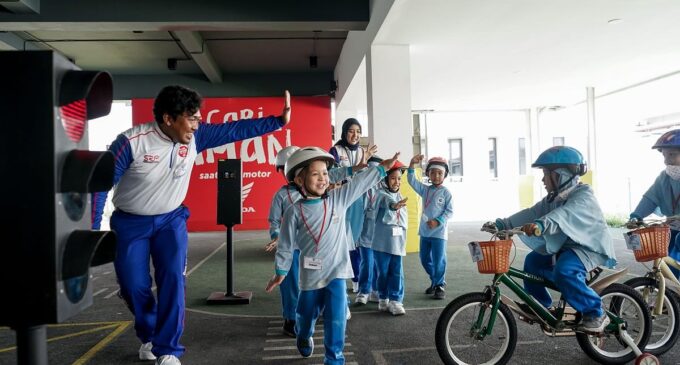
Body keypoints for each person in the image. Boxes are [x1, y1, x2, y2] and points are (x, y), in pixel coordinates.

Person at [91, 85, 292, 365]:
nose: (198, 124)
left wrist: (277, 122)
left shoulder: (197, 135)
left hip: (171, 220)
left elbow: (235, 130)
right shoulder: (132, 141)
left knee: (173, 280)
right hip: (130, 223)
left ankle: (169, 348)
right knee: (132, 286)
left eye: (199, 118)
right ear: (168, 119)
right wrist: (91, 229)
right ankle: (149, 334)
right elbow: (100, 183)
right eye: (192, 118)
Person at [266, 147, 399, 365]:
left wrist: (382, 169)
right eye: (315, 174)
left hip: (337, 272)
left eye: (325, 173)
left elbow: (359, 183)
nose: (323, 178)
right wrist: (280, 272)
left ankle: (334, 359)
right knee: (305, 316)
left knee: (337, 319)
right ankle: (303, 334)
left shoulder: (338, 199)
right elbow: (286, 245)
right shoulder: (293, 212)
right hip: (310, 277)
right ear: (300, 180)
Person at [485, 146, 617, 333]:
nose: (542, 179)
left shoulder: (583, 196)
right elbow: (532, 212)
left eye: (546, 174)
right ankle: (539, 305)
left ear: (560, 176)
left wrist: (540, 225)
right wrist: (503, 224)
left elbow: (562, 215)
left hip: (588, 248)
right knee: (532, 261)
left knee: (565, 271)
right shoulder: (554, 198)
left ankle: (596, 312)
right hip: (567, 247)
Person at [264, 146, 358, 336]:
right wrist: (277, 237)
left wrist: (352, 169)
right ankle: (291, 318)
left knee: (326, 278)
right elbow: (274, 221)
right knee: (290, 283)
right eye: (283, 168)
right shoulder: (281, 195)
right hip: (293, 247)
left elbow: (333, 172)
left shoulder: (318, 188)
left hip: (313, 246)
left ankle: (332, 308)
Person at [329, 118, 377, 292]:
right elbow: (330, 174)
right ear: (344, 132)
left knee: (358, 242)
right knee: (342, 240)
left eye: (358, 131)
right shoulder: (335, 150)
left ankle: (359, 281)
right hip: (341, 198)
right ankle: (341, 277)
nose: (355, 135)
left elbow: (368, 177)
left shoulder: (364, 152)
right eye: (351, 131)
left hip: (360, 200)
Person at [628, 129, 680, 277]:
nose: (666, 160)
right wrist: (636, 216)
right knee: (665, 257)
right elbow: (651, 198)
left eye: (672, 154)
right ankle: (671, 294)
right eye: (664, 155)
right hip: (674, 226)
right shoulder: (664, 177)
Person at [407, 155, 453, 299]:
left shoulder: (446, 193)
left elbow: (450, 211)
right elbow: (411, 181)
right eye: (433, 172)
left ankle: (439, 285)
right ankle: (435, 280)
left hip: (439, 233)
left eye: (440, 173)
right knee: (424, 258)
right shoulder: (425, 190)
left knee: (439, 260)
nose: (436, 176)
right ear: (428, 174)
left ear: (444, 175)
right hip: (425, 232)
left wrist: (438, 220)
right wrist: (411, 166)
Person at [372, 161, 408, 315]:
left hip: (397, 242)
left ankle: (396, 300)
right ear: (385, 179)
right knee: (383, 272)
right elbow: (389, 203)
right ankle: (383, 297)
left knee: (397, 271)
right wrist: (395, 206)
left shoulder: (400, 196)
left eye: (399, 179)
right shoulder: (380, 194)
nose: (396, 182)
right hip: (381, 243)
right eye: (393, 178)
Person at [355, 155, 384, 304]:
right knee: (367, 262)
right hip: (364, 234)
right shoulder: (360, 188)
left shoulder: (385, 189)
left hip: (380, 236)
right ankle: (363, 291)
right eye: (370, 171)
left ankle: (376, 290)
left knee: (378, 264)